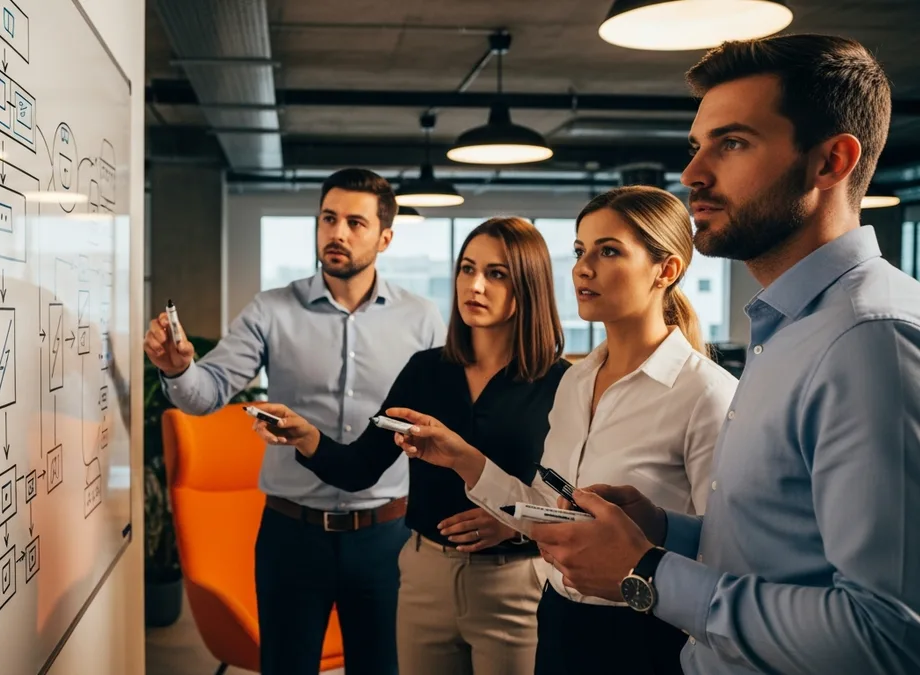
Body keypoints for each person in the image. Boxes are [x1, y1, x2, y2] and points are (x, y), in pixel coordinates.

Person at [521, 33, 920, 675]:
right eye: (697, 145)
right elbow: (780, 550)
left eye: (732, 143)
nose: (692, 174)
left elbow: (889, 635)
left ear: (830, 163)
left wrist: (646, 572)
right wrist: (663, 531)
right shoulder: (788, 328)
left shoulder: (868, 339)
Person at [390, 187, 737, 675]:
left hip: (648, 631)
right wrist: (461, 457)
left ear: (667, 270)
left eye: (608, 250)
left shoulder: (707, 394)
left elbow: (725, 555)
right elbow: (547, 513)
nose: (582, 268)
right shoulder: (575, 381)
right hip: (558, 618)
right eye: (579, 251)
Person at [143, 167, 445, 675]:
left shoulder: (422, 320)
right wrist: (178, 369)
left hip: (386, 537)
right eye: (328, 219)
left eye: (355, 222)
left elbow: (440, 425)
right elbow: (206, 393)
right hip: (292, 535)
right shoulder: (271, 310)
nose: (338, 233)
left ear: (385, 237)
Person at [250, 216, 568, 675]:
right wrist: (307, 437)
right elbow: (360, 467)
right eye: (467, 269)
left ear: (529, 286)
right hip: (425, 577)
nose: (474, 286)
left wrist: (517, 526)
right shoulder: (426, 371)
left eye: (496, 274)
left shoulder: (561, 383)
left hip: (515, 583)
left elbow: (572, 501)